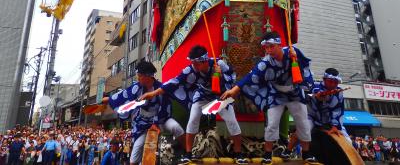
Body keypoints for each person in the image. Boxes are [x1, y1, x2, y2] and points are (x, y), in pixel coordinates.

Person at [221, 31, 318, 165]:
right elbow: (252, 75)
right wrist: (234, 90)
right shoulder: (266, 61)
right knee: (272, 124)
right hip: (276, 94)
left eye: (271, 46)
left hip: (295, 92)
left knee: (303, 123)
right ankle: (267, 154)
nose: (268, 50)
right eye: (266, 47)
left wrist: (297, 60)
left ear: (279, 45)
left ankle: (306, 154)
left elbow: (305, 69)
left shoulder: (293, 52)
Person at [140, 45, 248, 165]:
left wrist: (221, 75)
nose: (194, 66)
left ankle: (239, 154)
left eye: (196, 63)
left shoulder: (219, 64)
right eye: (192, 63)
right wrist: (153, 93)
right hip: (202, 95)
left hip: (221, 96)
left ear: (204, 61)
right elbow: (174, 81)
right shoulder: (190, 69)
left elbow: (233, 77)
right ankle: (188, 154)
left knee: (231, 121)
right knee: (192, 120)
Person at [104, 61, 185, 165]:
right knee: (135, 154)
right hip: (143, 122)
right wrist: (105, 100)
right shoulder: (136, 88)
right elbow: (121, 96)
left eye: (140, 75)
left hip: (161, 119)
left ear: (148, 76)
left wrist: (155, 123)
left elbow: (165, 106)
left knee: (176, 127)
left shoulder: (160, 87)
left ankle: (187, 153)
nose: (138, 78)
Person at [307, 68, 351, 142]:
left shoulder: (339, 91)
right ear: (324, 79)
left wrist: (335, 126)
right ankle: (287, 150)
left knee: (348, 141)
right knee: (304, 131)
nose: (333, 84)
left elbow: (338, 110)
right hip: (312, 117)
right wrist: (316, 96)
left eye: (336, 82)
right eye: (330, 81)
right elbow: (306, 97)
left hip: (330, 121)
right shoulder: (314, 86)